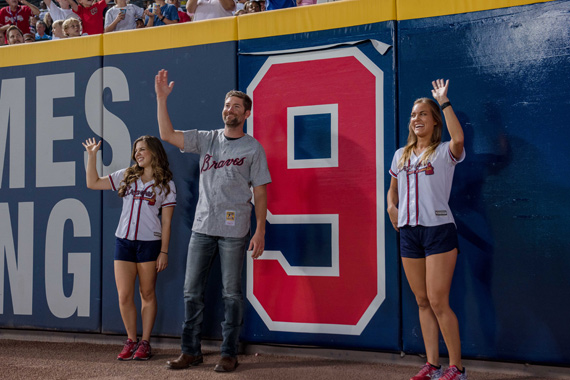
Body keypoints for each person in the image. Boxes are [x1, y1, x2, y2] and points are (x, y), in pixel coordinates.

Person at [154, 69, 271, 373]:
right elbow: (167, 135)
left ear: (246, 113)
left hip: (235, 230)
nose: (229, 109)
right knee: (191, 292)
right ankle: (190, 351)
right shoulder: (207, 139)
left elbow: (260, 191)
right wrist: (161, 99)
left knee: (231, 294)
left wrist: (260, 230)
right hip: (202, 227)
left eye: (235, 106)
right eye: (226, 104)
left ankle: (228, 352)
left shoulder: (253, 148)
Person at [387, 79, 467, 380]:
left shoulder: (445, 151)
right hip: (409, 232)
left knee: (437, 301)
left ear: (434, 121)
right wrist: (391, 207)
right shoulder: (401, 155)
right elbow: (391, 190)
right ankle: (432, 365)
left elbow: (459, 140)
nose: (416, 119)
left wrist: (443, 102)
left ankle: (457, 369)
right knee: (421, 301)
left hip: (438, 230)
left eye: (422, 114)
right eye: (412, 114)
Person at [82, 135, 176, 361]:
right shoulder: (127, 175)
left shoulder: (166, 183)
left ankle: (145, 343)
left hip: (149, 243)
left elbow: (166, 222)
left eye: (142, 149)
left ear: (154, 152)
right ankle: (131, 340)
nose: (138, 154)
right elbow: (93, 183)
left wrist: (164, 251)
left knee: (147, 293)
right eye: (136, 150)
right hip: (123, 241)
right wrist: (92, 157)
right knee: (124, 295)